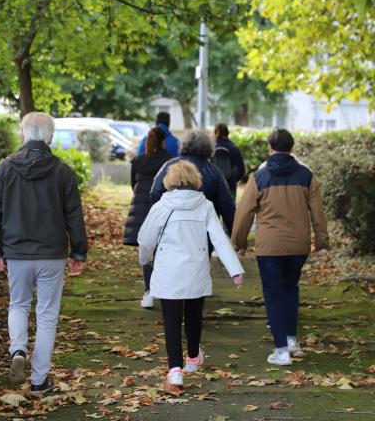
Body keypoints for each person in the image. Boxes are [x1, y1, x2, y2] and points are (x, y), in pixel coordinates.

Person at [0, 112, 87, 395]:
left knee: (18, 304)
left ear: (24, 135)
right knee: (47, 314)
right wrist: (78, 251)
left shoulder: (6, 168)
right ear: (49, 137)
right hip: (51, 253)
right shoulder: (62, 171)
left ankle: (18, 349)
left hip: (17, 252)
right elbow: (74, 215)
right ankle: (39, 380)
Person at [138, 161, 244, 393]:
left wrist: (145, 258)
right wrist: (235, 269)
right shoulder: (205, 206)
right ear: (195, 180)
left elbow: (145, 239)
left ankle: (175, 371)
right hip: (195, 268)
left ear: (170, 181)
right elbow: (219, 239)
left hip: (169, 271)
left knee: (172, 321)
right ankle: (194, 357)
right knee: (194, 315)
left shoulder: (161, 206)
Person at [231, 127, 329, 366]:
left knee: (274, 295)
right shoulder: (307, 175)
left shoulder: (261, 176)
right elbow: (317, 212)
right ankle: (291, 340)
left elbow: (244, 212)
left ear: (270, 147)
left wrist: (239, 243)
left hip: (270, 247)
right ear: (292, 148)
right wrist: (322, 242)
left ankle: (281, 351)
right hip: (298, 246)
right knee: (290, 289)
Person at [151, 130, 235, 236]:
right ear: (209, 147)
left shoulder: (169, 166)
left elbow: (155, 193)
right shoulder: (215, 172)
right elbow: (227, 206)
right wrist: (234, 234)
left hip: (171, 230)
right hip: (203, 233)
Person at [123, 127, 172, 308]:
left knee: (147, 252)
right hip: (161, 207)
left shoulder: (138, 162)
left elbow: (133, 184)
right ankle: (165, 290)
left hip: (142, 209)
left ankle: (148, 292)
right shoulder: (169, 162)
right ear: (163, 142)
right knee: (164, 250)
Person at [213, 123, 245, 198]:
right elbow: (241, 171)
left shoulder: (210, 148)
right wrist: (233, 180)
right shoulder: (234, 149)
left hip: (213, 186)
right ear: (228, 133)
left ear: (215, 133)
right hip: (230, 187)